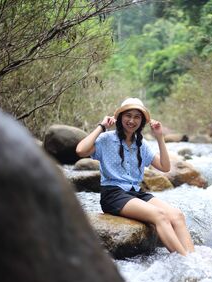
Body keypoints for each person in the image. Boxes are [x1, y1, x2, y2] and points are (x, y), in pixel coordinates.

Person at [76, 98, 195, 256]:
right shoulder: (106, 139)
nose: (132, 120)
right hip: (113, 194)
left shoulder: (141, 144)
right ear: (120, 117)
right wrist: (102, 126)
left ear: (142, 121)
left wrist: (159, 137)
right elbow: (80, 150)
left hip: (135, 193)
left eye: (137, 117)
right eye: (128, 115)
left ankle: (194, 258)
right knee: (159, 216)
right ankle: (186, 261)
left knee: (177, 215)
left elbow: (165, 167)